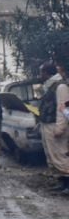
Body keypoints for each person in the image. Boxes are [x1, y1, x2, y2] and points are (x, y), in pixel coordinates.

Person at [38, 62, 69, 194]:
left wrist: (60, 128)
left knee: (60, 155)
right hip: (47, 124)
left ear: (47, 73)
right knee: (52, 156)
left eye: (41, 72)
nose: (40, 75)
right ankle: (62, 183)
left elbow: (62, 108)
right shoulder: (50, 86)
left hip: (55, 125)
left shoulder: (60, 86)